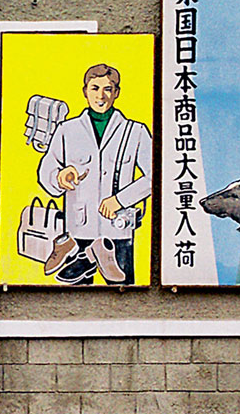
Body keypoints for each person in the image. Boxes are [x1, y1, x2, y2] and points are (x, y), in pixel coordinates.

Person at [37, 64, 153, 285]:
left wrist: (120, 200)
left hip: (118, 231)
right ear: (85, 91)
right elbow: (46, 170)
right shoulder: (67, 130)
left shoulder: (135, 131)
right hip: (79, 230)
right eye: (95, 88)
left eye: (108, 89)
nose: (101, 96)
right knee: (75, 299)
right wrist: (60, 177)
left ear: (116, 92)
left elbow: (156, 176)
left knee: (123, 291)